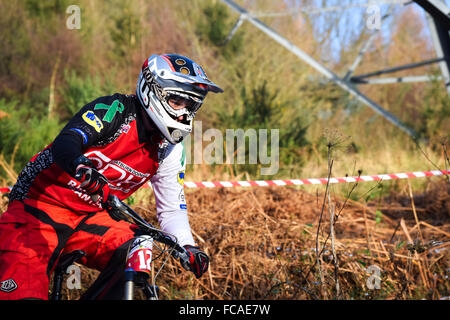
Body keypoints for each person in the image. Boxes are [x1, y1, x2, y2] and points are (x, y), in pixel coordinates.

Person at [0, 54, 223, 300]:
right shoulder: (114, 111)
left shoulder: (169, 149)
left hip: (88, 218)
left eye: (192, 105)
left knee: (138, 245)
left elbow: (171, 211)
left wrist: (188, 247)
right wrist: (80, 164)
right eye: (177, 100)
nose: (184, 113)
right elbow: (66, 142)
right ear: (152, 91)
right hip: (37, 207)